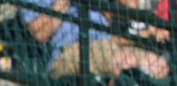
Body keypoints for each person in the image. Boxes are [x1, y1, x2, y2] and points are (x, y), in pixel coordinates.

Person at [18, 0, 168, 79]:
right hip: (68, 51)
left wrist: (148, 33)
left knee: (158, 64)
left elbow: (112, 35)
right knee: (126, 60)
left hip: (107, 43)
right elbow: (40, 35)